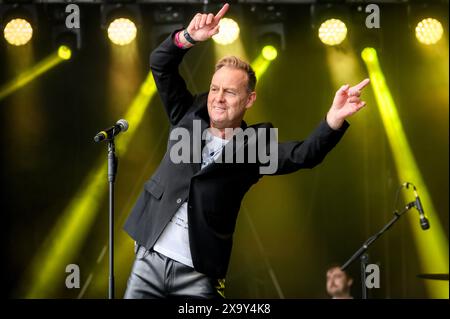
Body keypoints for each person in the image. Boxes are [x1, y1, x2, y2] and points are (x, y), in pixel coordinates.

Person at [123, 3, 370, 299]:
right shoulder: (187, 113)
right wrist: (187, 37)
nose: (218, 98)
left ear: (249, 99)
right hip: (148, 259)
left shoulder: (253, 149)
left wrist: (334, 119)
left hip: (198, 274)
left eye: (230, 92)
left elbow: (305, 154)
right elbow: (161, 64)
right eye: (215, 89)